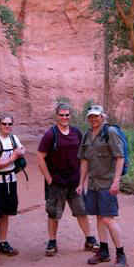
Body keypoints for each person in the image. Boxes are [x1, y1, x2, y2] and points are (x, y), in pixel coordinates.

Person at [37, 103, 99, 256]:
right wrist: (49, 178)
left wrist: (83, 179)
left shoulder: (77, 133)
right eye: (61, 115)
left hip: (74, 181)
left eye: (67, 115)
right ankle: (52, 242)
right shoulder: (51, 134)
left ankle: (89, 239)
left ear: (70, 116)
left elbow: (84, 155)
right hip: (57, 182)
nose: (64, 117)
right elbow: (40, 156)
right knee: (53, 213)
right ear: (56, 116)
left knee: (81, 211)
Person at [77, 105, 127, 267]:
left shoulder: (110, 132)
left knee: (108, 219)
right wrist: (80, 183)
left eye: (96, 116)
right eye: (91, 117)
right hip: (93, 183)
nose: (93, 119)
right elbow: (84, 160)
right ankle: (103, 251)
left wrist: (116, 181)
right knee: (99, 217)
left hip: (107, 182)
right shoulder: (87, 135)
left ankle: (121, 254)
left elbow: (119, 157)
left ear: (103, 117)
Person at [0, 114, 26, 263]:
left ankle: (3, 243)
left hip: (10, 180)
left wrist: (20, 153)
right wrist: (14, 156)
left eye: (9, 124)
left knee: (6, 213)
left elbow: (22, 150)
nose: (7, 126)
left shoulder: (14, 139)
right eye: (4, 124)